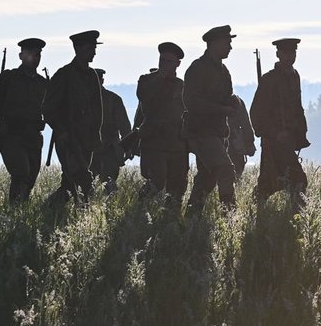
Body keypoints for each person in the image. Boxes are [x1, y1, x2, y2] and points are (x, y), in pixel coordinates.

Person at [0, 38, 49, 202]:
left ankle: (19, 212)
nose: (35, 57)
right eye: (31, 53)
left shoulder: (43, 83)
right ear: (21, 56)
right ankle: (14, 211)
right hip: (11, 135)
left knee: (30, 178)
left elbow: (51, 111)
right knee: (21, 173)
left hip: (33, 137)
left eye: (38, 54)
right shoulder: (8, 79)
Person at [42, 30, 104, 203]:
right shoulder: (64, 75)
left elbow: (97, 108)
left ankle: (51, 209)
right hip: (69, 139)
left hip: (87, 139)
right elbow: (48, 108)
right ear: (78, 49)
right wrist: (62, 130)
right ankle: (84, 214)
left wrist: (96, 134)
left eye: (94, 48)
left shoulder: (92, 76)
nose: (94, 52)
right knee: (84, 179)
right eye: (90, 48)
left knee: (70, 183)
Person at [183, 25, 238, 215]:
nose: (230, 47)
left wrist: (232, 103)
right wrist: (222, 108)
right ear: (214, 44)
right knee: (225, 169)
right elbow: (192, 102)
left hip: (215, 132)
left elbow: (225, 97)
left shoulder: (224, 71)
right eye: (227, 42)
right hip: (201, 132)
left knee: (207, 177)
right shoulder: (198, 68)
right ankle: (230, 217)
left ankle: (191, 217)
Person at [250, 38, 310, 210]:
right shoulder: (269, 80)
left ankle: (258, 212)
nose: (290, 56)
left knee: (271, 182)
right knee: (298, 179)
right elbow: (257, 113)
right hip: (274, 141)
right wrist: (275, 133)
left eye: (293, 52)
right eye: (286, 52)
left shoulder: (294, 76)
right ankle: (296, 217)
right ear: (278, 54)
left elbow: (297, 107)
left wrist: (300, 132)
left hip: (289, 139)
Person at [136, 43, 188, 207]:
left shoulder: (182, 86)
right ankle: (140, 208)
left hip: (177, 143)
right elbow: (144, 97)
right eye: (162, 60)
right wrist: (160, 77)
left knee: (177, 186)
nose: (164, 64)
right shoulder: (146, 80)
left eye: (169, 61)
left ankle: (171, 219)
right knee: (156, 181)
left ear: (178, 64)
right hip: (154, 142)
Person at [90, 69, 132, 193]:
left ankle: (108, 209)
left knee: (109, 183)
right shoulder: (82, 100)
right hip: (89, 148)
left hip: (110, 148)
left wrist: (128, 147)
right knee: (87, 183)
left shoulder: (114, 100)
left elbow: (124, 126)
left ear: (102, 81)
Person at [227, 94, 256, 180]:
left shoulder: (236, 101)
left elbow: (245, 124)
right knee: (236, 174)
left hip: (230, 145)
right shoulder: (236, 101)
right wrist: (249, 143)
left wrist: (249, 142)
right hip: (235, 146)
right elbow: (246, 124)